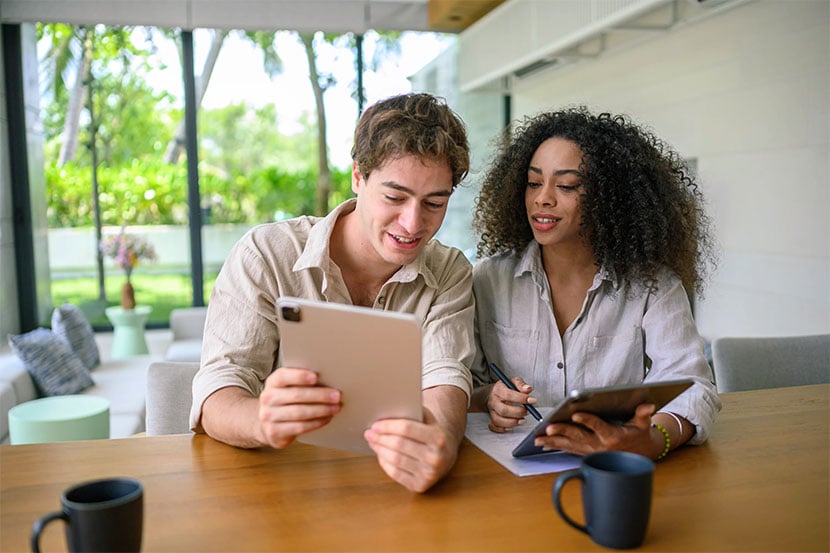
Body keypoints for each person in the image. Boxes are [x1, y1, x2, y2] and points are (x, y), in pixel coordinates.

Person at [190, 93, 475, 493]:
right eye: (394, 197)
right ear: (358, 177)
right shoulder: (266, 254)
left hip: (388, 489)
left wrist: (441, 442)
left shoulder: (449, 271)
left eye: (434, 202)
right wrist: (260, 420)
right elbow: (218, 391)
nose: (413, 223)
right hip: (279, 487)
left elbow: (445, 378)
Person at [470, 107, 721, 460]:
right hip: (510, 472)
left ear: (610, 198)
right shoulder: (487, 279)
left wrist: (653, 438)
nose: (543, 197)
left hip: (610, 471)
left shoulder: (652, 286)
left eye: (567, 185)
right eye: (533, 182)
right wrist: (489, 398)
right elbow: (465, 386)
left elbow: (696, 388)